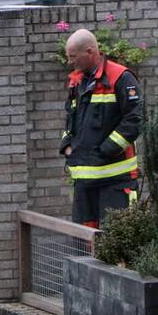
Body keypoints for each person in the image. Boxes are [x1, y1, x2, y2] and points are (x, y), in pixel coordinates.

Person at [60, 29, 143, 228]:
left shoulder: (120, 78)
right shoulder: (77, 82)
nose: (70, 62)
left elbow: (134, 121)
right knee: (83, 246)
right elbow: (71, 119)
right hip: (83, 182)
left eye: (73, 57)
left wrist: (104, 151)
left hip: (115, 181)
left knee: (116, 242)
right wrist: (67, 145)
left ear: (89, 52)